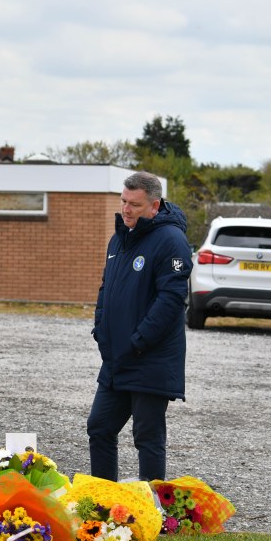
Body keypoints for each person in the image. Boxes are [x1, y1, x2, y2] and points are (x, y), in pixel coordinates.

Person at [89, 171, 192, 481]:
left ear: (154, 206)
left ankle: (153, 510)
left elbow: (172, 300)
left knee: (146, 436)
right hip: (117, 358)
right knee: (100, 426)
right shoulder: (118, 239)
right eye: (123, 201)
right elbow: (106, 289)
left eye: (134, 204)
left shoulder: (171, 241)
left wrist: (138, 340)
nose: (126, 209)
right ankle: (104, 505)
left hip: (150, 358)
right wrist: (100, 329)